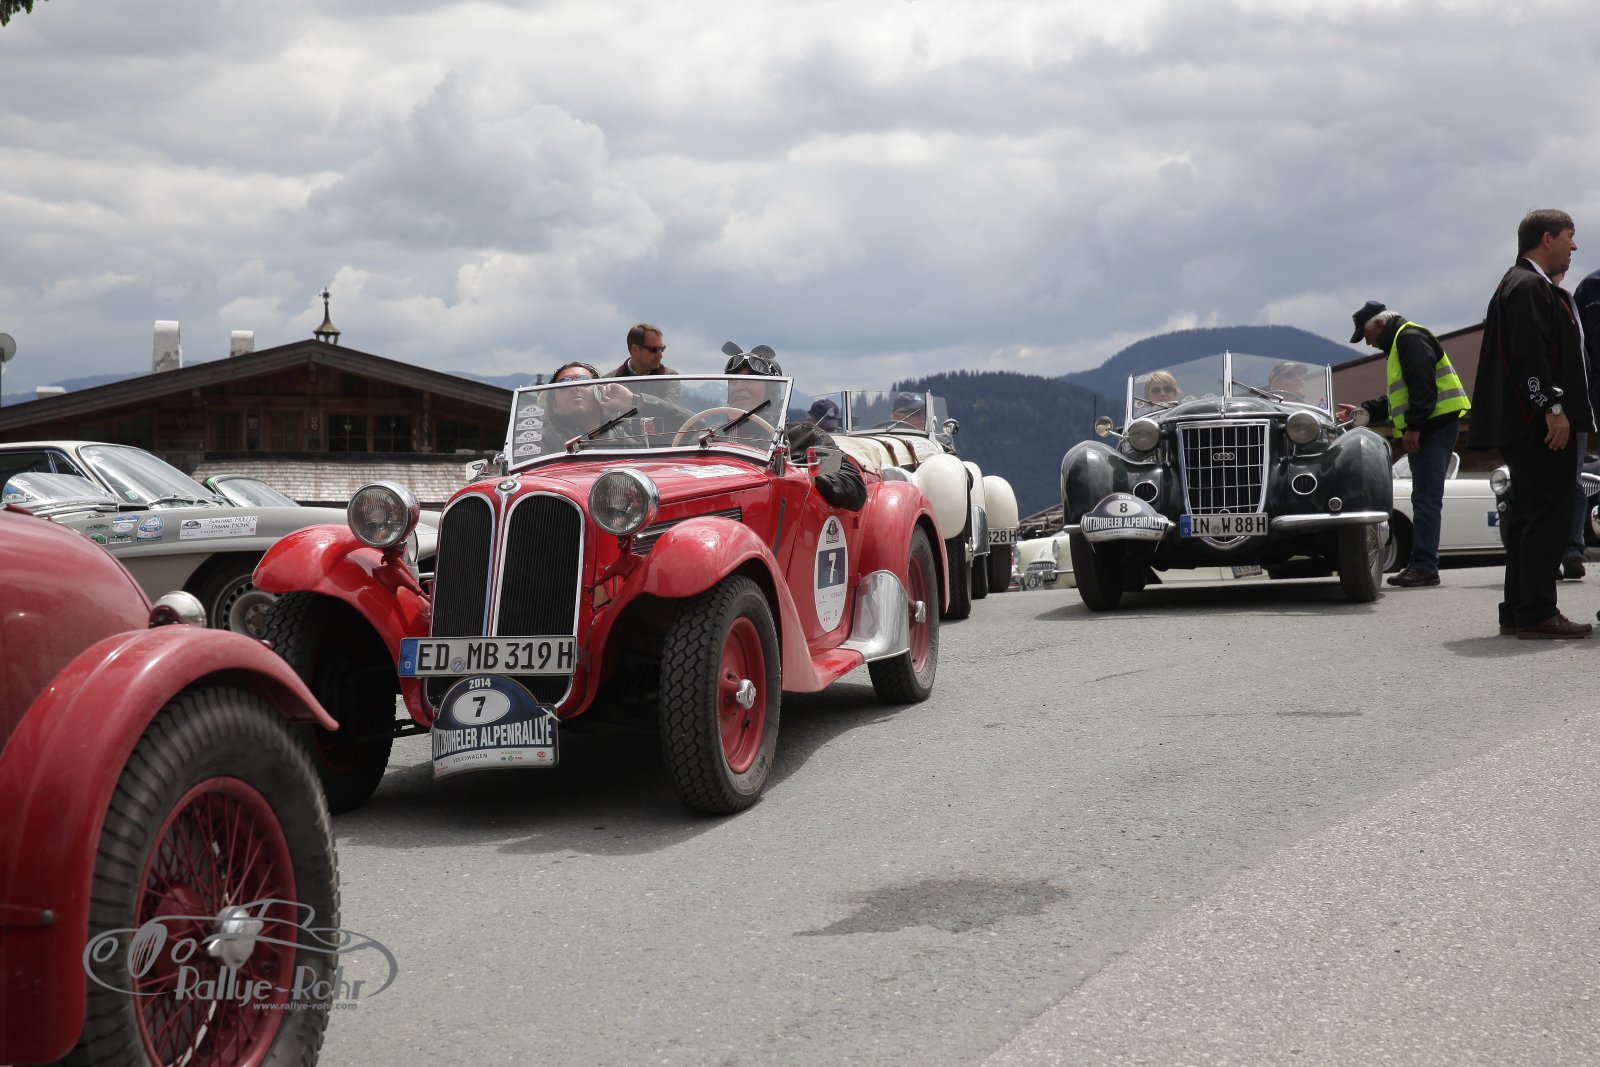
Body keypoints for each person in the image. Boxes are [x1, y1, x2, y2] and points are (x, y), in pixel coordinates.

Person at [1467, 208, 1594, 639]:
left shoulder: (1522, 283)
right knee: (1548, 516)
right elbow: (1529, 355)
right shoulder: (1527, 286)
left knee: (1527, 515)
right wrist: (1553, 408)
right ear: (1546, 238)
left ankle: (1518, 609)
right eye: (1569, 236)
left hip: (1526, 423)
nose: (1574, 246)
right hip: (1538, 425)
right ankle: (1538, 612)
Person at [1344, 301, 1471, 588]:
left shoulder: (1408, 338)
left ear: (1378, 325)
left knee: (1426, 499)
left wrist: (1414, 427)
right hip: (1433, 426)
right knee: (1425, 498)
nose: (1368, 343)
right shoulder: (1404, 340)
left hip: (1432, 428)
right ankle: (1424, 565)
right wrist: (1363, 412)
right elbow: (1400, 398)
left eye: (1366, 335)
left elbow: (1423, 388)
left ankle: (1424, 567)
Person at [724, 346, 867, 511]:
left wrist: (810, 477)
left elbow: (853, 485)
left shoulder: (803, 437)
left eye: (750, 380)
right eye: (733, 381)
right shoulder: (712, 438)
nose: (739, 387)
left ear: (770, 391)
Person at [1552, 270, 1591, 579]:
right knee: (1554, 483)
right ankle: (1554, 554)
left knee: (1573, 483)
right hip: (1559, 407)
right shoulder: (1589, 289)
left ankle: (1572, 551)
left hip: (1580, 406)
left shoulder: (1572, 299)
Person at [609, 322, 682, 404]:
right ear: (635, 349)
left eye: (662, 348)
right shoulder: (608, 380)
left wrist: (634, 400)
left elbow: (670, 408)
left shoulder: (669, 377)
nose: (660, 355)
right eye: (654, 349)